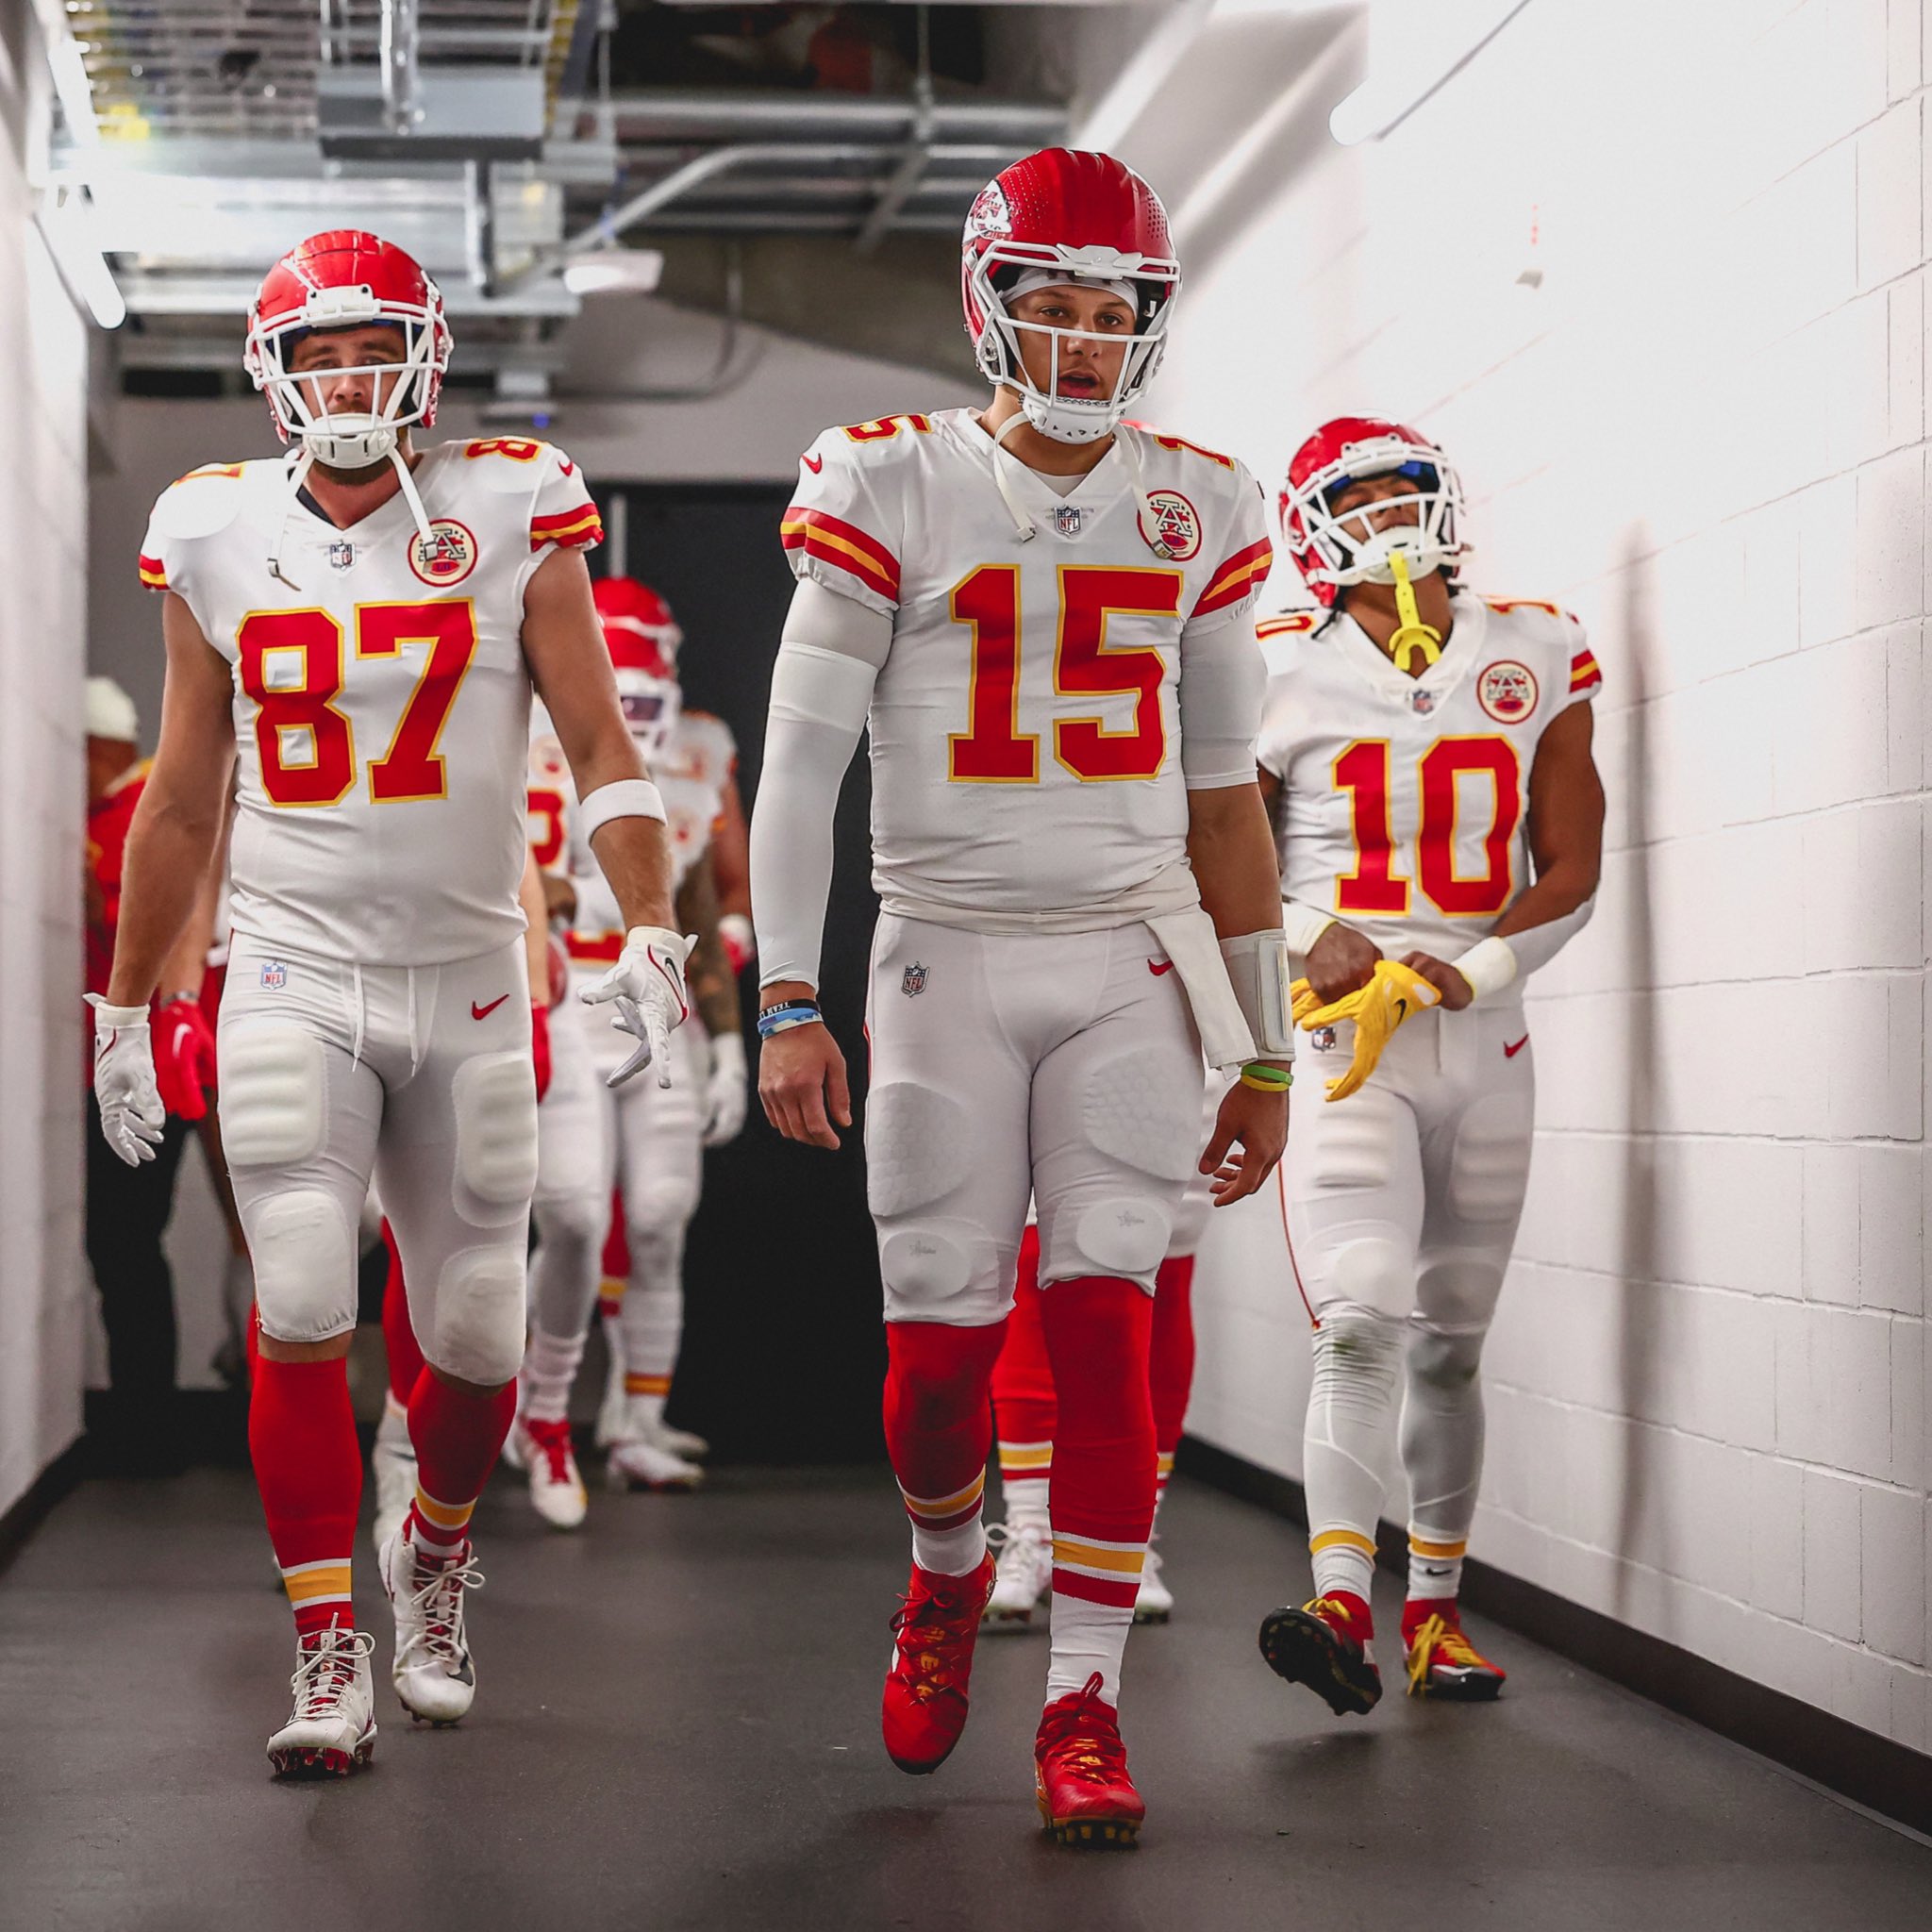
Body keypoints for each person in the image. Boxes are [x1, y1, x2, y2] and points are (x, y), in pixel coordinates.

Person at [749, 148, 1293, 1848]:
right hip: (942, 953)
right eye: (1047, 303)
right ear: (989, 306)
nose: (1077, 337)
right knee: (933, 1366)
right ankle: (941, 1565)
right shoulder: (887, 476)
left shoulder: (1198, 499)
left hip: (1132, 954)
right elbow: (801, 760)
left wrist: (1262, 1040)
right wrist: (784, 989)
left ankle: (1080, 1697)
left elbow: (1224, 799)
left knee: (1110, 1335)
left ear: (1149, 319)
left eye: (1108, 308)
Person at [93, 229, 687, 1780]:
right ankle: (322, 1641)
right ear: (273, 374)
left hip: (475, 968)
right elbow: (177, 794)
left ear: (423, 361)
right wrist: (126, 998)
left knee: (478, 1330)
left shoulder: (509, 502)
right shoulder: (211, 529)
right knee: (299, 1297)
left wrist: (656, 930)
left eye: (372, 350)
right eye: (319, 354)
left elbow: (596, 741)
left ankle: (428, 1549)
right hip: (293, 968)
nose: (347, 380)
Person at [1252, 414, 1604, 1708]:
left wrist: (1469, 967)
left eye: (1409, 487)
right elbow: (1212, 858)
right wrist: (1312, 931)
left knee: (1452, 1343)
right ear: (1310, 531)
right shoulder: (1275, 661)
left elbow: (1572, 867)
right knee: (1358, 1323)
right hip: (1349, 1045)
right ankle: (1342, 1599)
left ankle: (1437, 1615)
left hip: (1483, 1033)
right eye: (1362, 494)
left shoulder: (1535, 645)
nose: (1392, 511)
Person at [508, 576, 747, 1520]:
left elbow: (697, 901)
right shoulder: (514, 729)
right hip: (563, 988)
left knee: (659, 1210)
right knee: (569, 1210)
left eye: (650, 695)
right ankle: (546, 1416)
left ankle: (636, 1425)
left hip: (657, 995)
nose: (635, 717)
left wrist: (728, 1040)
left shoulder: (698, 750)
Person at [369, 845, 560, 1555]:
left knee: (425, 1249)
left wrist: (534, 1000)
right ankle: (304, 1511)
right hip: (307, 985)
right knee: (304, 1265)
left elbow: (518, 864)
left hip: (448, 989)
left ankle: (404, 1466)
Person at [984, 1119, 1214, 1631]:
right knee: (1032, 1250)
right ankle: (1033, 1528)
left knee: (1162, 1266)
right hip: (1042, 1041)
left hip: (1193, 1047)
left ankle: (1130, 1540)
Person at [83, 675, 220, 1473]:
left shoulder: (133, 809)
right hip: (131, 1056)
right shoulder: (110, 809)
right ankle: (146, 1416)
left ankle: (146, 1424)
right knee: (125, 1242)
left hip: (148, 1062)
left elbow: (143, 919)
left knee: (129, 1240)